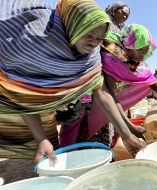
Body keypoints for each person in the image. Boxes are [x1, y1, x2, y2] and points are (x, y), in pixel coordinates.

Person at [0, 0, 114, 163]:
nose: (94, 42)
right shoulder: (34, 41)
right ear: (74, 25)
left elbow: (101, 92)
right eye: (89, 35)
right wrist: (41, 139)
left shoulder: (91, 55)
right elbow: (21, 92)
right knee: (69, 126)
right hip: (29, 103)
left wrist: (127, 133)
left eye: (100, 39)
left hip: (71, 102)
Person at [58, 24, 157, 154]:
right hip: (84, 97)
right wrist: (129, 128)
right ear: (130, 44)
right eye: (141, 49)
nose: (144, 54)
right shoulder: (112, 56)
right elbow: (109, 96)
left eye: (146, 50)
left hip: (103, 100)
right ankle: (66, 160)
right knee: (76, 134)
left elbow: (150, 80)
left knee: (98, 136)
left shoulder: (132, 58)